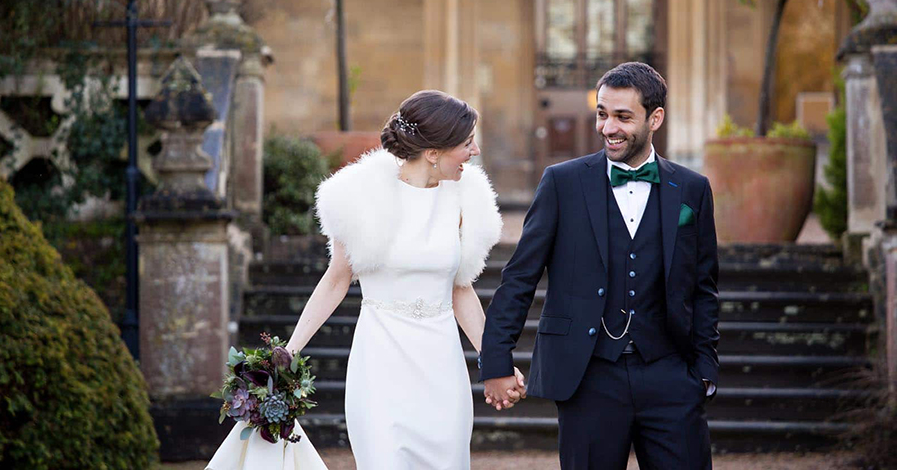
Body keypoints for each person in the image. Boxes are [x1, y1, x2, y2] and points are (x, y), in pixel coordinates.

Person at [208, 90, 525, 470]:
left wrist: (496, 362)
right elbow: (336, 278)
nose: (474, 152)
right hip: (380, 364)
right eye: (467, 143)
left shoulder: (465, 199)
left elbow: (462, 290)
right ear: (434, 152)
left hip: (443, 367)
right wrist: (287, 354)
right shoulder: (360, 196)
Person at [479, 62, 719, 469]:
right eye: (603, 114)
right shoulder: (562, 182)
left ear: (655, 118)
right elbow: (520, 277)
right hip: (588, 375)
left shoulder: (692, 189)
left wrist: (703, 371)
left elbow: (703, 286)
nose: (609, 128)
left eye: (624, 117)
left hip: (670, 375)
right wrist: (496, 361)